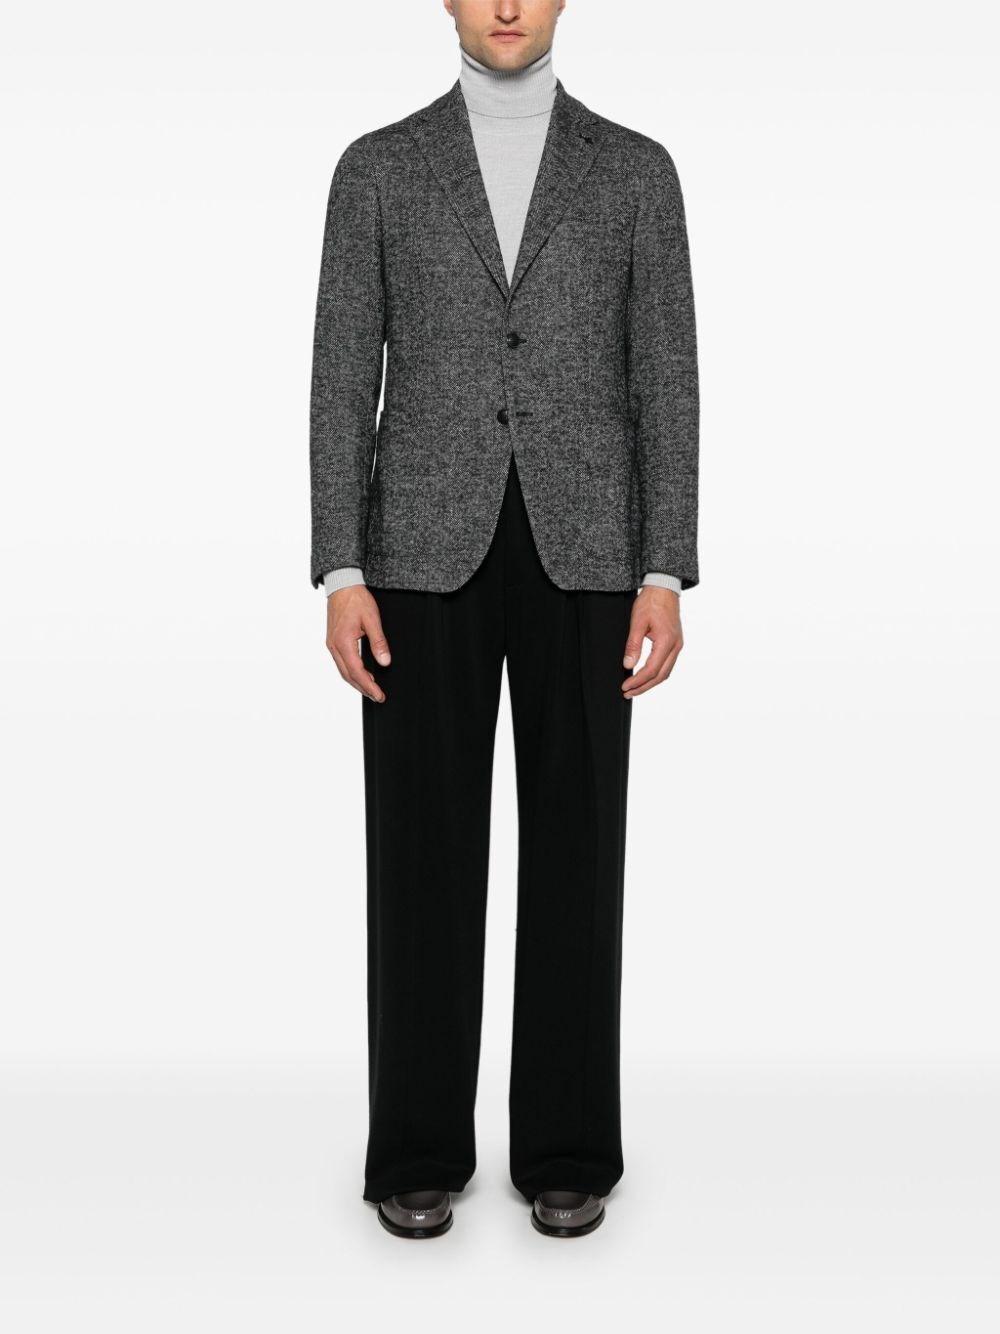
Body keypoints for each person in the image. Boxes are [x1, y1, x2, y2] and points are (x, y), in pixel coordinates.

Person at [310, 0, 698, 1239]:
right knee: (420, 849)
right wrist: (340, 567)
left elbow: (666, 376)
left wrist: (663, 568)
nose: (509, 6)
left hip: (589, 545)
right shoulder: (377, 168)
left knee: (579, 849)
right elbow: (340, 374)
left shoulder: (635, 172)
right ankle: (418, 1145)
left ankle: (568, 1146)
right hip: (417, 551)